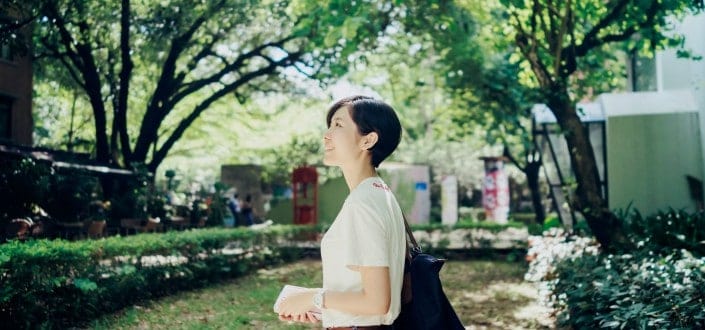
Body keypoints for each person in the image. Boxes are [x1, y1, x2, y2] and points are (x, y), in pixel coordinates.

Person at [276, 96, 406, 329]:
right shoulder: (379, 193)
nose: (327, 134)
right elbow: (362, 291)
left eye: (338, 125)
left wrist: (313, 297)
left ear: (368, 140)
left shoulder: (363, 202)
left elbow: (377, 302)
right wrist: (318, 306)